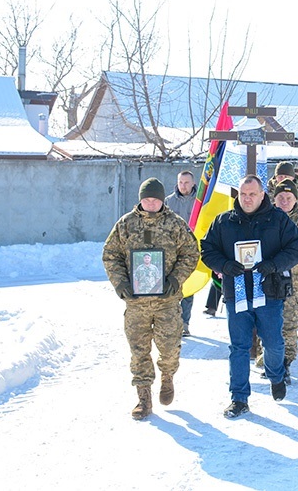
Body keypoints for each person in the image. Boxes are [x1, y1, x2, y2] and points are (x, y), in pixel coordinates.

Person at [201, 174, 298, 419]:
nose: (247, 199)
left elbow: (297, 248)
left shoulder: (278, 220)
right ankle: (239, 398)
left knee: (274, 343)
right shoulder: (224, 222)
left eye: (252, 194)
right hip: (236, 295)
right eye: (243, 194)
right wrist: (225, 265)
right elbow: (207, 250)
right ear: (238, 195)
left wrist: (273, 264)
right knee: (239, 347)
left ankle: (276, 375)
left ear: (262, 195)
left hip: (269, 293)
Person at [102, 177, 199, 420]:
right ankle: (143, 397)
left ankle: (167, 376)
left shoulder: (175, 224)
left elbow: (191, 253)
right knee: (138, 349)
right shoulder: (125, 224)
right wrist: (121, 283)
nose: (151, 203)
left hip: (167, 301)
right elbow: (110, 255)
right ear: (140, 199)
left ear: (161, 200)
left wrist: (176, 280)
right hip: (136, 303)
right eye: (146, 199)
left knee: (169, 348)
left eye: (155, 199)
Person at [263, 179, 298, 384]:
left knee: (288, 323)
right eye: (280, 198)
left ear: (296, 199)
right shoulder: (266, 217)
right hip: (267, 280)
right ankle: (270, 361)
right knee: (267, 322)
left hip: (292, 281)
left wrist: (278, 260)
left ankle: (285, 363)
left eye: (288, 198)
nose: (284, 201)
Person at [164, 170, 197, 336]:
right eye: (181, 182)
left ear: (193, 183)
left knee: (189, 289)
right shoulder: (169, 202)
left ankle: (184, 323)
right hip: (173, 252)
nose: (183, 186)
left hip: (191, 252)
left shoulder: (200, 202)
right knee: (173, 287)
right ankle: (172, 322)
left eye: (186, 182)